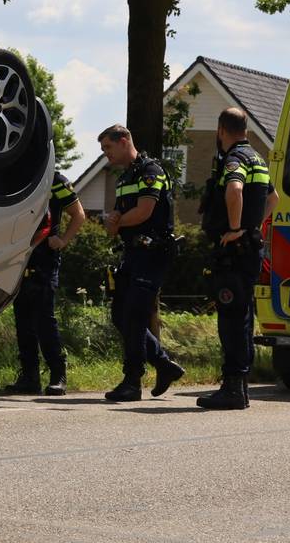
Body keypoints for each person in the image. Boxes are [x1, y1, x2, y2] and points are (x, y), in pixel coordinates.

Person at [196, 108, 278, 410]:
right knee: (242, 316)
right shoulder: (258, 158)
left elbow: (234, 190)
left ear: (221, 130)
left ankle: (232, 388)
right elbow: (274, 198)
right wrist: (252, 226)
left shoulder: (235, 159)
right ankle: (240, 387)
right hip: (250, 250)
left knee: (231, 319)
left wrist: (234, 229)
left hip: (233, 253)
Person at [99, 124, 186, 402]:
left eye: (108, 148)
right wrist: (113, 223)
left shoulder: (152, 172)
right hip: (132, 254)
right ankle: (163, 364)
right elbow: (115, 221)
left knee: (135, 315)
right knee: (119, 315)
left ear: (124, 140)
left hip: (152, 254)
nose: (105, 155)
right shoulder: (125, 178)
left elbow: (144, 212)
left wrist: (117, 221)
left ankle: (132, 380)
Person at [4, 171, 86, 396]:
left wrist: (63, 240)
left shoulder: (55, 180)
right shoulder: (15, 178)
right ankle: (29, 378)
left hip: (45, 259)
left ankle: (58, 375)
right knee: (22, 318)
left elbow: (78, 214)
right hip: (20, 256)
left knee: (43, 319)